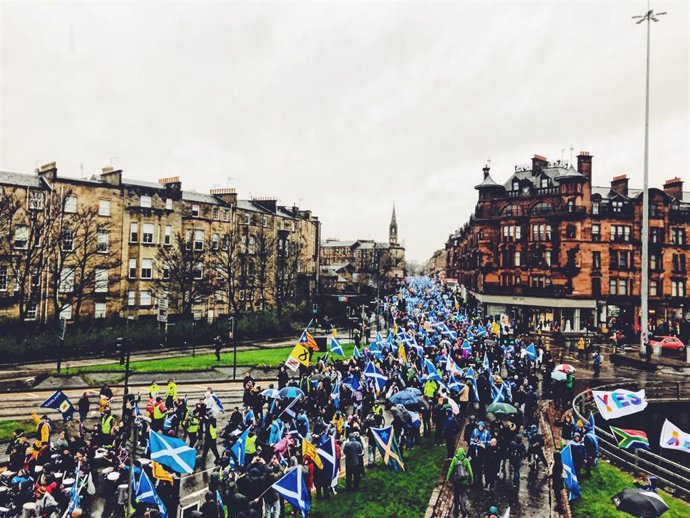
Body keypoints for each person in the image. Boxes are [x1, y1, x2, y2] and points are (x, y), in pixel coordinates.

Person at [446, 447, 473, 518]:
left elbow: (450, 469)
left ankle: (455, 510)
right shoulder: (466, 460)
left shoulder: (455, 459)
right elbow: (470, 471)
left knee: (456, 495)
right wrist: (471, 480)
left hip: (456, 481)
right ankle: (463, 509)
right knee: (463, 495)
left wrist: (447, 478)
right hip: (464, 482)